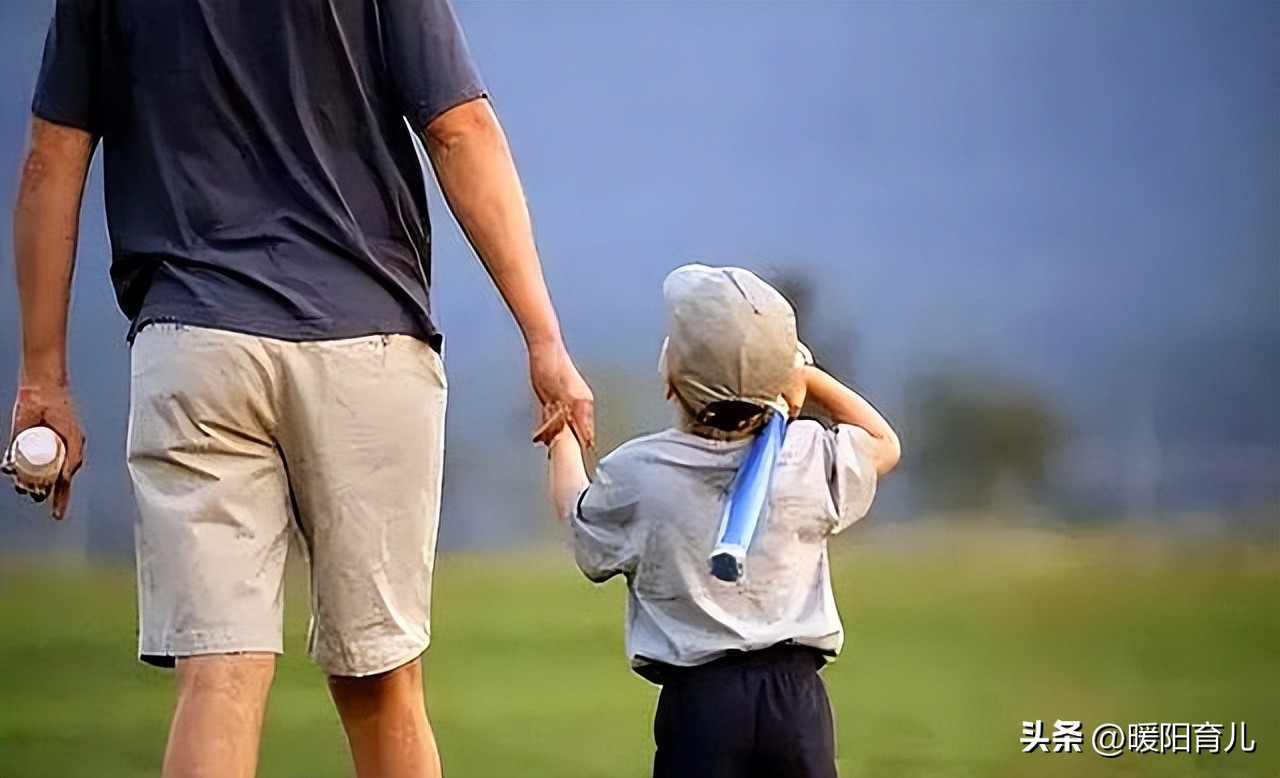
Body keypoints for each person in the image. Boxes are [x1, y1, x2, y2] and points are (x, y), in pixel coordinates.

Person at [6, 1, 592, 776]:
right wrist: (543, 340)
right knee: (383, 682)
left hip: (195, 341)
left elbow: (52, 157)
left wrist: (42, 373)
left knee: (217, 675)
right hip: (366, 342)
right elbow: (459, 129)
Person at [546, 264, 900, 777]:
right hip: (797, 702)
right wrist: (806, 377)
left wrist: (562, 433)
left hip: (700, 704)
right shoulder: (807, 456)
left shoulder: (640, 475)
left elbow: (575, 511)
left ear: (671, 380)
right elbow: (883, 443)